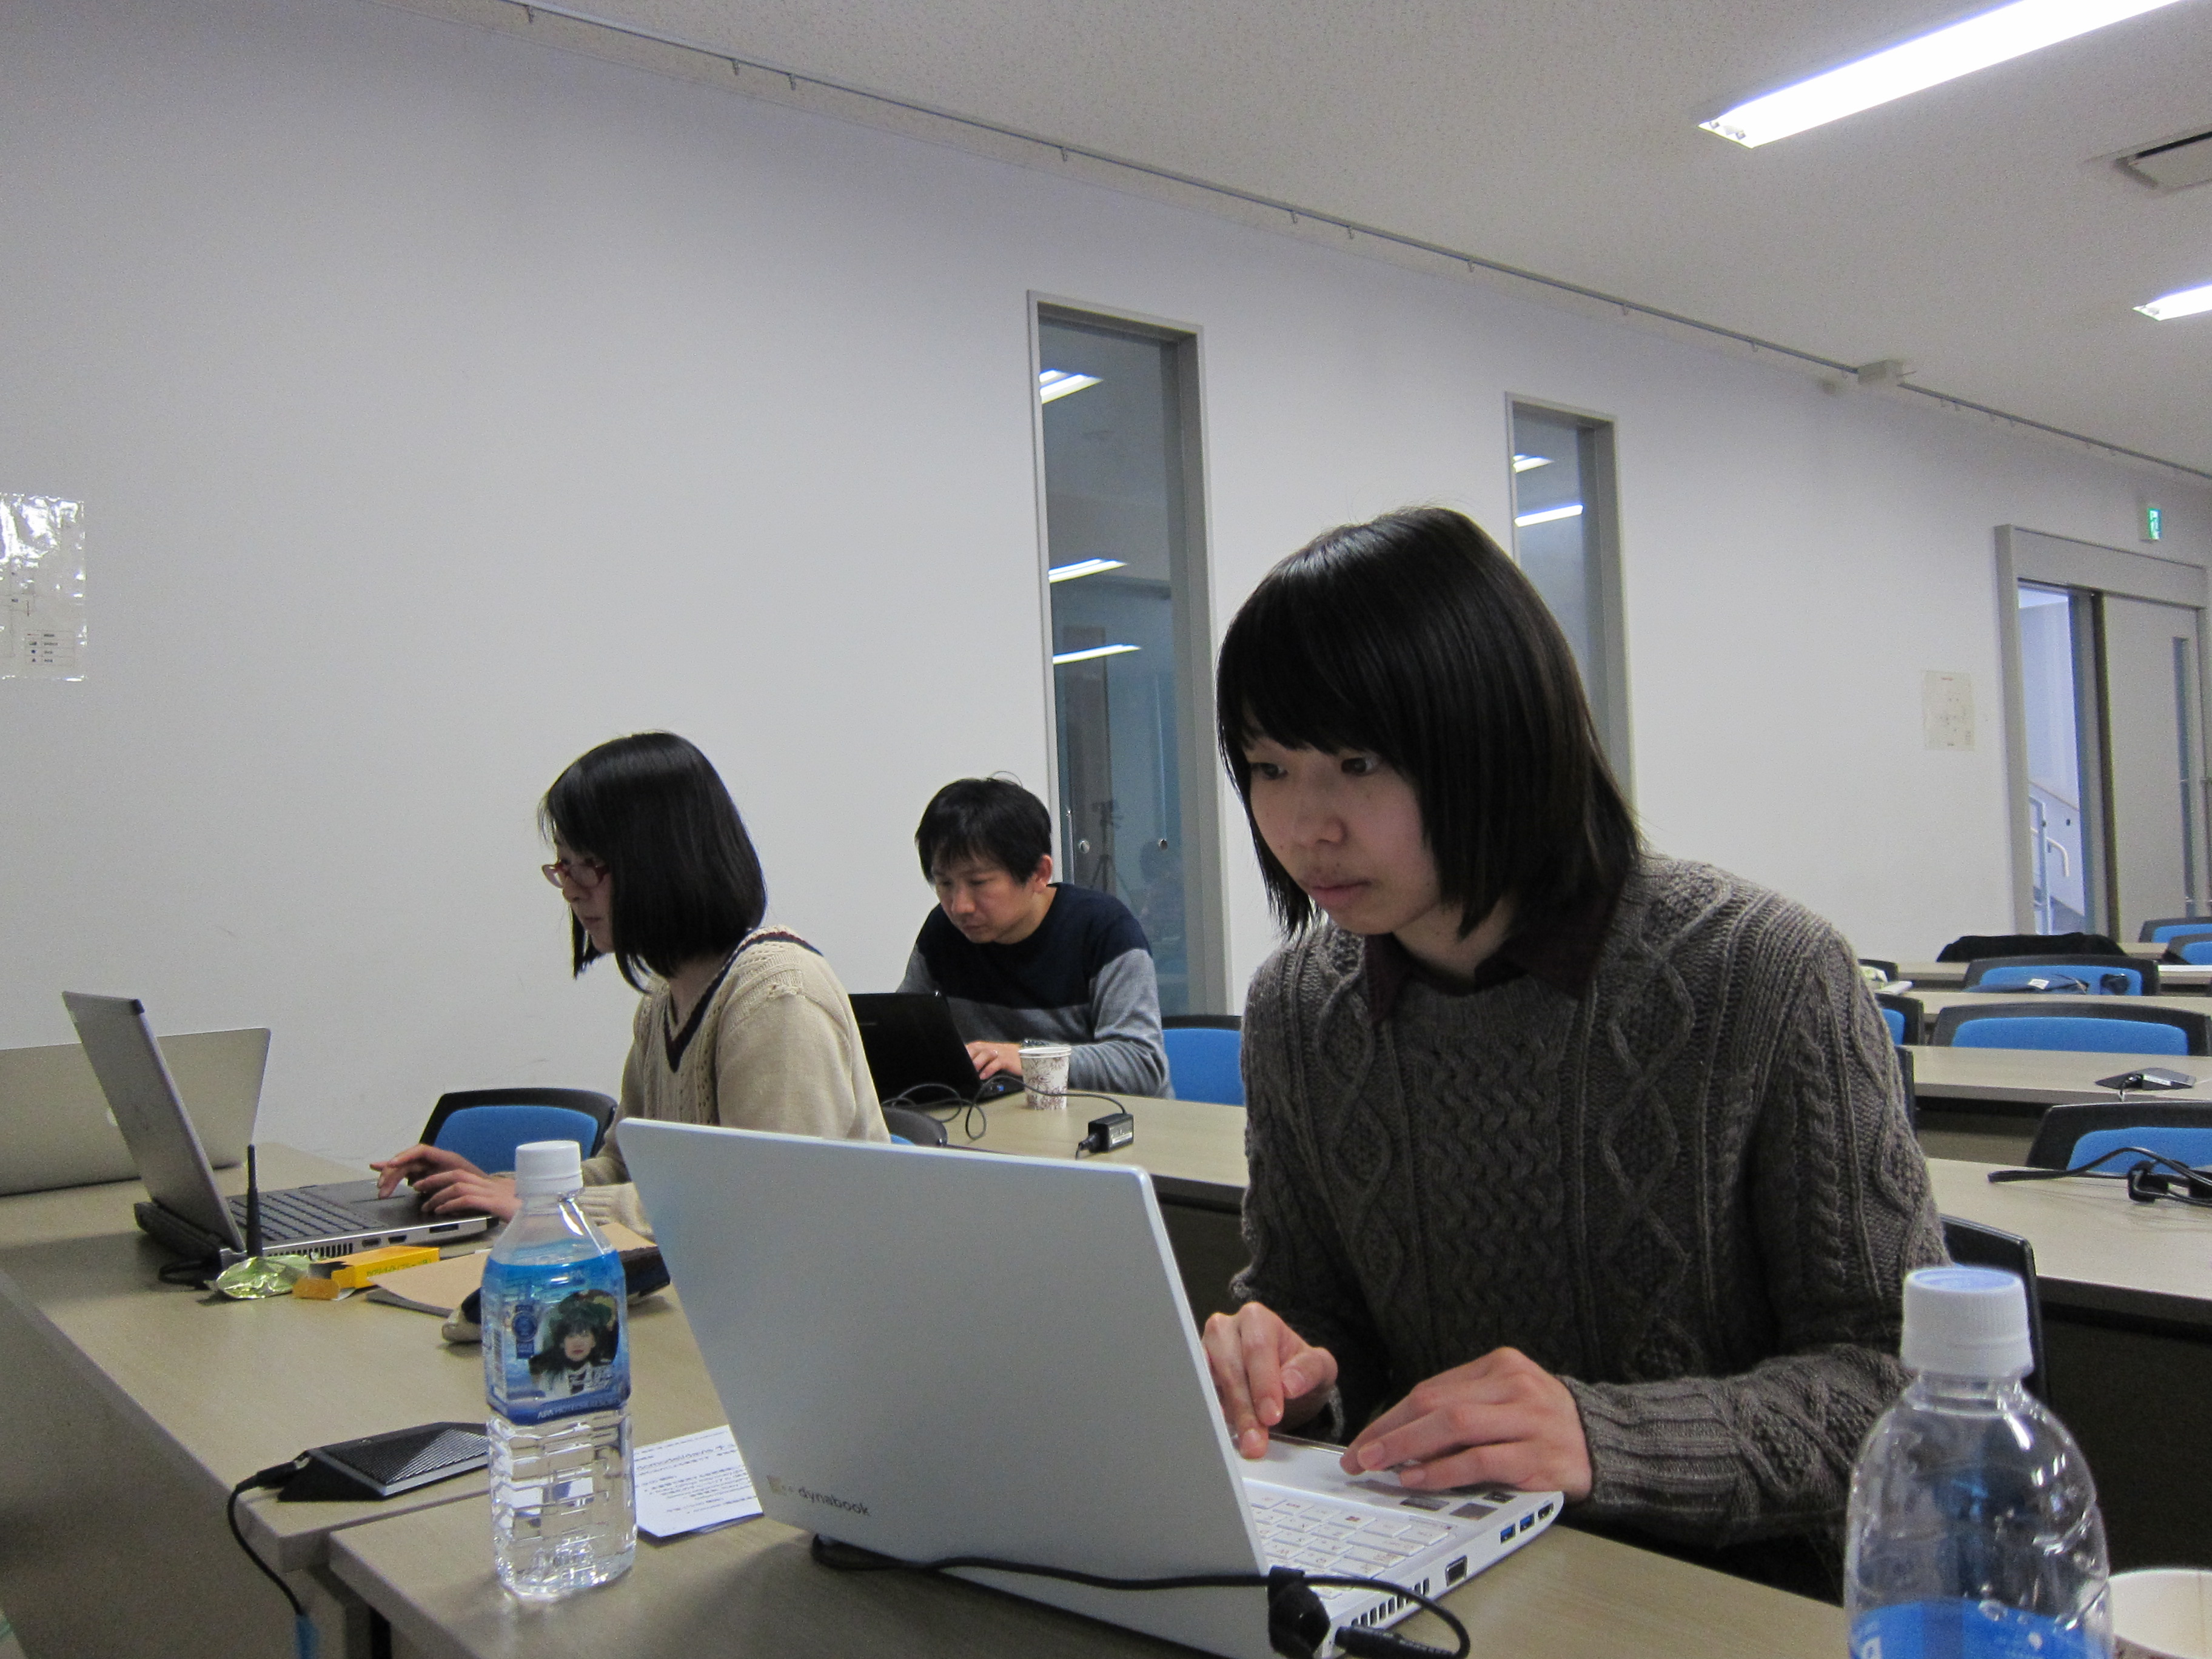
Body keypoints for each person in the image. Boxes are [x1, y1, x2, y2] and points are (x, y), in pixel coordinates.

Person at [1198, 508, 1943, 1597]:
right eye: (1269, 767)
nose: (1306, 825)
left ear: (1498, 737)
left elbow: (1904, 1387)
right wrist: (1284, 1366)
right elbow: (1316, 1306)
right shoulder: (1299, 1011)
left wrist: (1605, 1438)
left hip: (1731, 1598)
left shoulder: (1763, 975)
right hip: (1436, 1575)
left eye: (1358, 761)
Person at [374, 731, 888, 1233]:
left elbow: (767, 1200)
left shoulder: (777, 996)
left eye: (589, 866)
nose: (571, 891)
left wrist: (543, 1205)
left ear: (663, 861)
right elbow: (625, 1167)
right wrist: (502, 1188)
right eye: (564, 866)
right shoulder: (664, 1000)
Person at [896, 777, 1170, 1096]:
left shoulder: (1105, 930)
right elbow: (902, 1034)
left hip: (1105, 1119)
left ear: (1039, 874)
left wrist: (1029, 1057)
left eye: (979, 883)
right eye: (945, 884)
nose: (960, 906)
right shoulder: (944, 930)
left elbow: (1141, 1065)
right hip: (997, 1118)